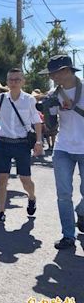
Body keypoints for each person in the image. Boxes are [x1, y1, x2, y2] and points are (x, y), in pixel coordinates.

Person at [38, 55, 84, 249]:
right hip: (63, 147)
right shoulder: (53, 93)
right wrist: (48, 111)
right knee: (64, 194)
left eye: (54, 73)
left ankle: (81, 212)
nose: (52, 77)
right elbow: (52, 127)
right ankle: (68, 235)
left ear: (66, 71)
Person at [0, 68, 43, 224]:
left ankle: (32, 197)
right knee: (2, 179)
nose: (14, 82)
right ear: (7, 82)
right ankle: (0, 212)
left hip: (22, 144)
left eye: (17, 79)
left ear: (23, 81)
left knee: (25, 180)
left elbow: (37, 121)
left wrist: (39, 140)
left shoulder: (29, 100)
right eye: (11, 80)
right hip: (3, 142)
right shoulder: (0, 98)